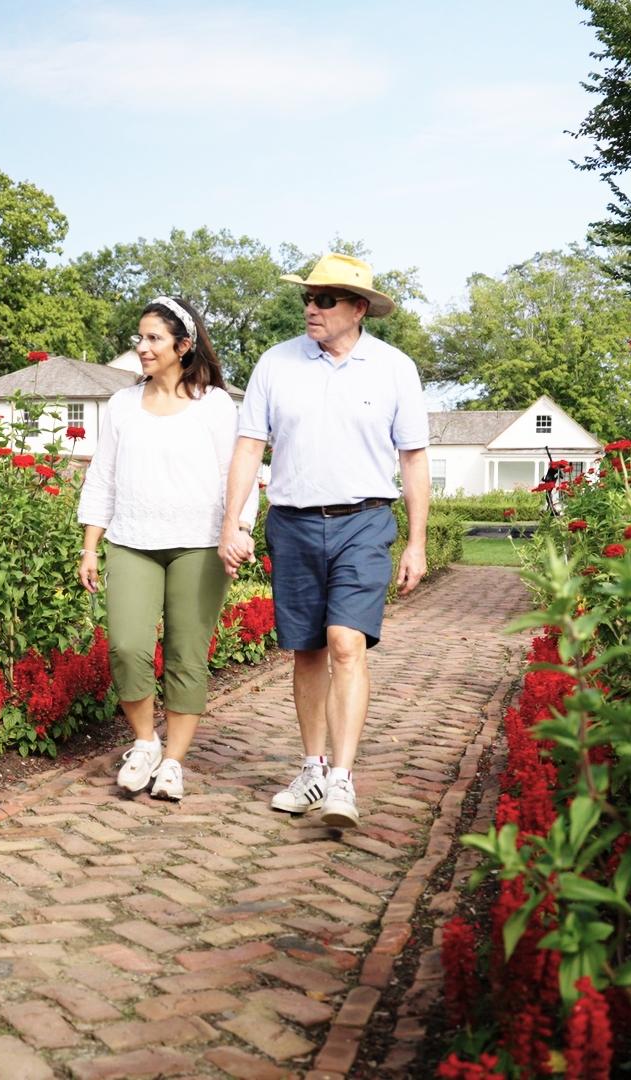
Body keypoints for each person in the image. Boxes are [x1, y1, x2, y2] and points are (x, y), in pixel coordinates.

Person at [218, 253, 430, 829]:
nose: (311, 308)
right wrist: (232, 520)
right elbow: (248, 446)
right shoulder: (275, 363)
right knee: (307, 649)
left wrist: (417, 542)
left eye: (324, 300)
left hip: (364, 520)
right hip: (292, 522)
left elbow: (412, 458)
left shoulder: (393, 369)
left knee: (344, 643)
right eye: (306, 299)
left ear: (358, 309)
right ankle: (311, 769)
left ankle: (341, 777)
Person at [77, 296, 259, 801]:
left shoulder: (216, 405)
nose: (142, 347)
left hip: (199, 546)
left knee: (185, 653)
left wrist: (238, 529)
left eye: (154, 338)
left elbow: (240, 476)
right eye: (140, 337)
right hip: (132, 540)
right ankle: (145, 742)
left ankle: (174, 761)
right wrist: (90, 546)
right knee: (127, 647)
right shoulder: (121, 405)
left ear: (184, 345)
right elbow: (103, 476)